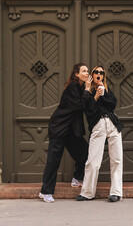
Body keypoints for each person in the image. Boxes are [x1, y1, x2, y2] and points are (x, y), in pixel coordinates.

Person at [39, 63, 91, 203]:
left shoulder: (80, 87)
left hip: (71, 130)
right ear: (76, 74)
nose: (87, 73)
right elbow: (79, 105)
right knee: (53, 161)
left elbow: (86, 105)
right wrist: (87, 90)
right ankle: (45, 192)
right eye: (84, 71)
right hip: (60, 128)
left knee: (84, 152)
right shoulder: (73, 87)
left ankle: (77, 178)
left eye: (87, 71)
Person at [76, 65, 124, 202]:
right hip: (98, 126)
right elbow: (87, 110)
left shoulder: (106, 90)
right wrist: (95, 96)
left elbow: (113, 104)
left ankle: (116, 192)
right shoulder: (87, 92)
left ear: (103, 76)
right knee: (93, 161)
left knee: (117, 159)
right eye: (96, 72)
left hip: (113, 125)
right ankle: (87, 193)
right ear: (92, 75)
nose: (99, 74)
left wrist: (103, 93)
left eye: (101, 73)